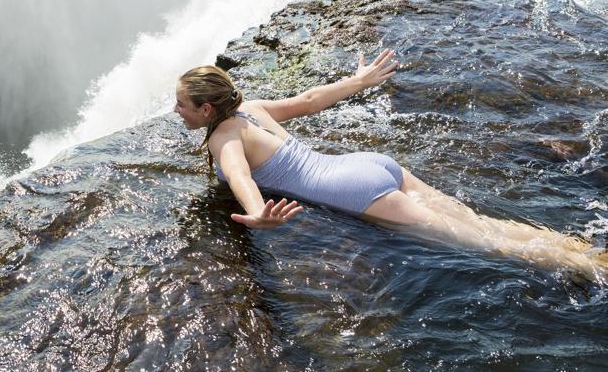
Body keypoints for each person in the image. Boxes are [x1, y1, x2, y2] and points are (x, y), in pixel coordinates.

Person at [175, 51, 607, 279]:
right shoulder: (252, 108)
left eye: (182, 104)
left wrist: (256, 214)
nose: (177, 111)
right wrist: (357, 81)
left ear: (208, 108)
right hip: (370, 166)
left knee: (489, 245)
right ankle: (586, 253)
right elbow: (308, 101)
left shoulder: (224, 137)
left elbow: (240, 175)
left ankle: (588, 267)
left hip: (353, 191)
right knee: (481, 223)